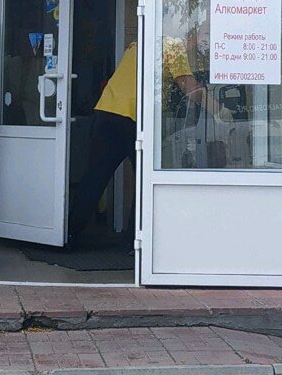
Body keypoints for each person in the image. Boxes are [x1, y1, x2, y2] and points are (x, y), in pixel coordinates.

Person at [69, 35, 205, 242]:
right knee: (145, 178)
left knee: (95, 177)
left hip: (106, 111)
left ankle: (71, 234)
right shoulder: (174, 46)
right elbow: (189, 87)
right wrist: (217, 107)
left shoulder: (140, 41)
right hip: (132, 116)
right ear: (189, 36)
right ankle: (134, 242)